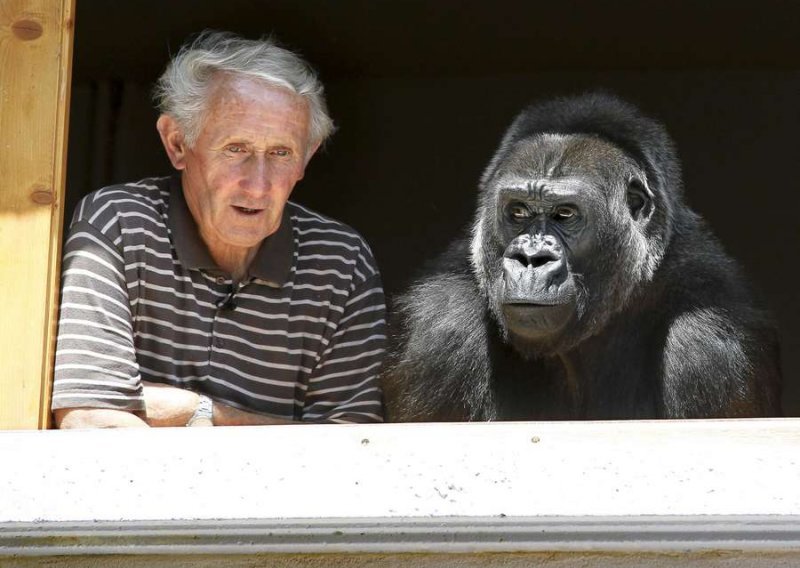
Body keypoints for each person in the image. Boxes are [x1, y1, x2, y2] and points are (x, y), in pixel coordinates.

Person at [52, 31, 386, 428]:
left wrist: (195, 411)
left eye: (281, 153)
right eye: (236, 149)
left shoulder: (341, 262)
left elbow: (352, 451)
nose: (258, 184)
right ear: (176, 143)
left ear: (307, 158)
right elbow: (91, 421)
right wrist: (277, 429)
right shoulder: (118, 224)